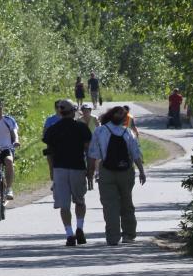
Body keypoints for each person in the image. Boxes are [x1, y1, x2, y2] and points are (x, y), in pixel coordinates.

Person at [88, 105, 146, 245]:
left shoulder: (100, 131)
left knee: (110, 205)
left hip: (106, 171)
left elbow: (93, 155)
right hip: (126, 171)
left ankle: (113, 237)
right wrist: (141, 171)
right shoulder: (128, 132)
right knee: (126, 202)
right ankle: (128, 234)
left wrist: (90, 174)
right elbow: (135, 153)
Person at [43, 99, 93, 246]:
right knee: (80, 201)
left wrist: (51, 170)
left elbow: (49, 153)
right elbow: (88, 150)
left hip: (60, 169)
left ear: (60, 112)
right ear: (73, 112)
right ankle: (80, 227)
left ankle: (69, 234)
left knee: (64, 205)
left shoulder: (53, 129)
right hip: (77, 168)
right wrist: (90, 170)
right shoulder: (82, 128)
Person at [41, 100, 63, 181]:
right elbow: (45, 132)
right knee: (51, 166)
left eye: (61, 107)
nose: (59, 109)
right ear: (55, 108)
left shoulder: (67, 118)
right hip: (51, 146)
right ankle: (54, 183)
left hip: (64, 146)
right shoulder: (50, 119)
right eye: (57, 107)